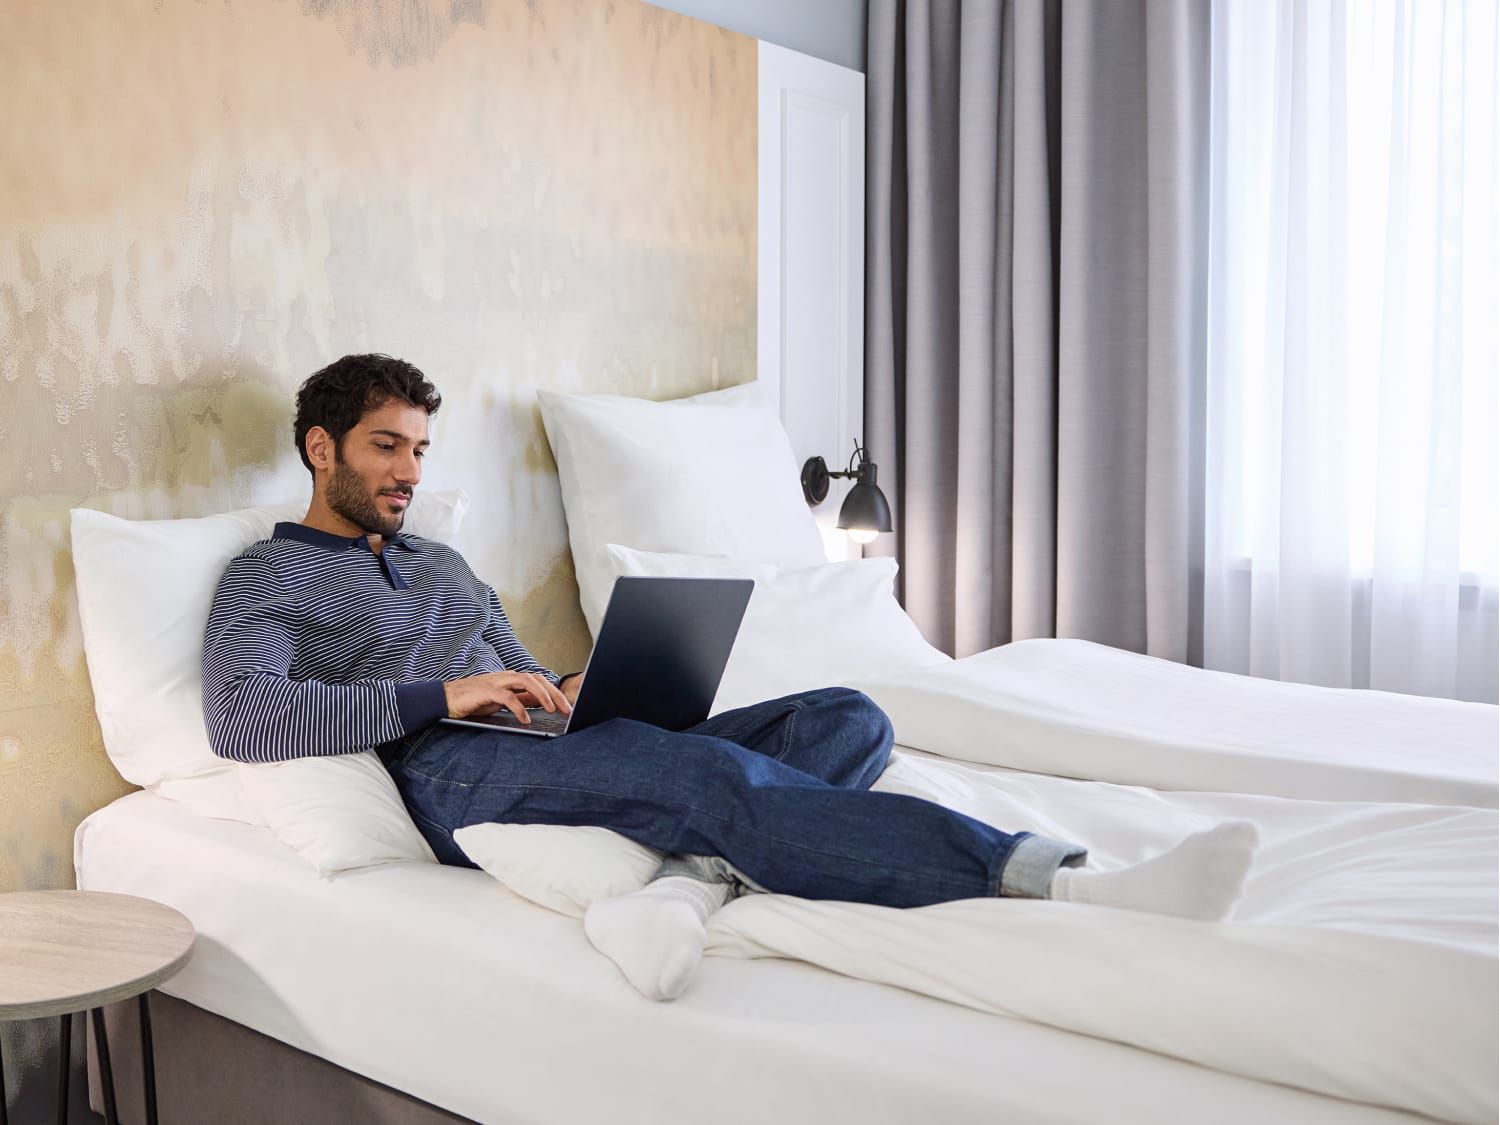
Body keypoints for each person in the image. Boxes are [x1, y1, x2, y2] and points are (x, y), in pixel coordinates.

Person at [202, 354, 1259, 1000]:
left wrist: (569, 684)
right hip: (448, 765)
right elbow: (245, 718)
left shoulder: (439, 559)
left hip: (535, 733)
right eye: (386, 448)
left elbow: (514, 668)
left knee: (848, 715)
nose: (408, 473)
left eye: (421, 451)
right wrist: (448, 696)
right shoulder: (267, 575)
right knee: (709, 778)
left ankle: (685, 886)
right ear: (321, 448)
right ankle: (1053, 876)